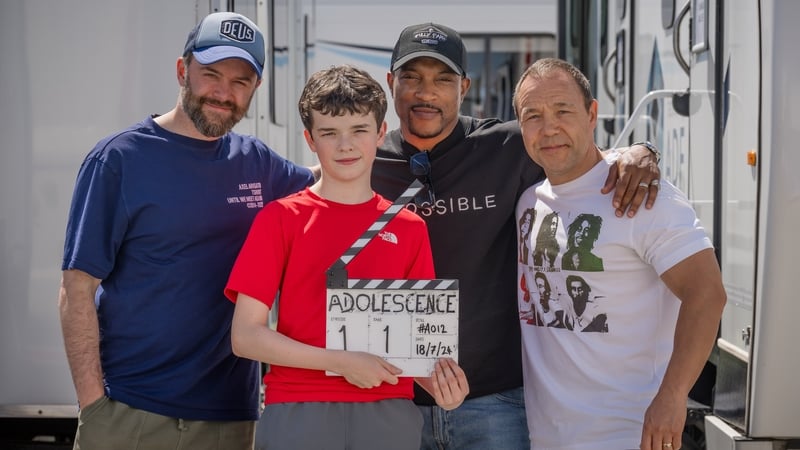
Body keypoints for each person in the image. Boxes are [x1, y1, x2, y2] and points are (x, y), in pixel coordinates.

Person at [370, 22, 663, 449]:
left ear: (464, 87)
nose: (426, 92)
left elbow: (575, 154)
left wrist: (641, 152)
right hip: (392, 401)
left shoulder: (505, 147)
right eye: (412, 78)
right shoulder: (365, 161)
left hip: (496, 402)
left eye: (442, 79)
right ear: (391, 82)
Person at [58, 12, 314, 450]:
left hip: (228, 420)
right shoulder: (120, 160)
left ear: (255, 89)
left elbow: (334, 185)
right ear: (183, 70)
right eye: (211, 74)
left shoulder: (257, 163)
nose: (223, 93)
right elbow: (76, 288)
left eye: (240, 81)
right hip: (129, 413)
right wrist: (94, 406)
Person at [224, 64, 469, 450]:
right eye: (329, 133)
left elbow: (415, 347)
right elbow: (246, 336)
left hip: (387, 410)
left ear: (380, 133)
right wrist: (340, 361)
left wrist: (442, 386)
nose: (345, 146)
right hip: (298, 409)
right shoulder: (281, 219)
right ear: (309, 139)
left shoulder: (409, 228)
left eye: (359, 130)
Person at [513, 57, 726, 450]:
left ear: (592, 114)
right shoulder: (529, 202)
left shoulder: (641, 195)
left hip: (630, 435)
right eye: (533, 116)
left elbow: (707, 293)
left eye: (563, 110)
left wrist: (673, 396)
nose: (549, 128)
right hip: (547, 438)